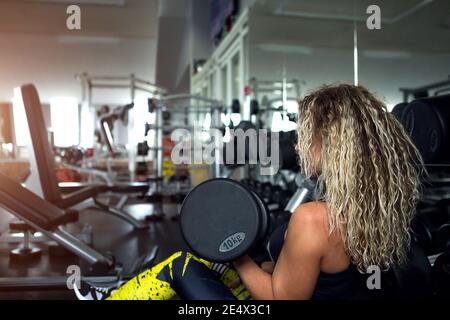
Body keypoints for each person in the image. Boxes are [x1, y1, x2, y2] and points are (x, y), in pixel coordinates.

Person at [75, 83, 423, 300]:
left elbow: (277, 298)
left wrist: (234, 250)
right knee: (225, 272)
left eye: (304, 136)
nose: (297, 146)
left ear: (331, 143)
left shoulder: (314, 218)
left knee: (181, 266)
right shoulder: (382, 207)